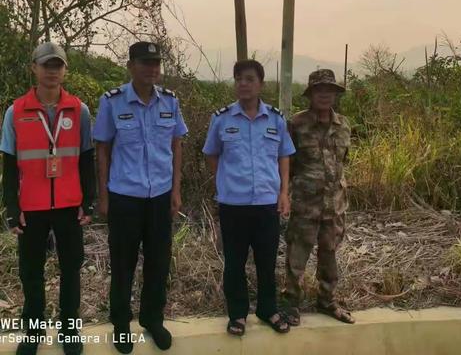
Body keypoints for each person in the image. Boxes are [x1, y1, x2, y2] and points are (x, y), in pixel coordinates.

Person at [0, 42, 96, 355]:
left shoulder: (79, 110)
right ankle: (33, 331)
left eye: (58, 65)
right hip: (32, 207)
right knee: (31, 271)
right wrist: (12, 208)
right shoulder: (15, 111)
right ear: (34, 68)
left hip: (69, 205)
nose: (52, 71)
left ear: (65, 70)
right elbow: (9, 164)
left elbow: (86, 158)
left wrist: (89, 199)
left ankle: (70, 330)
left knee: (71, 269)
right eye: (46, 65)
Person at [93, 41, 187, 354]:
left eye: (156, 63)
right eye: (145, 63)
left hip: (160, 196)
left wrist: (175, 190)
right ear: (131, 66)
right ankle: (121, 324)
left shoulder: (170, 101)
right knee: (123, 264)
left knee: (159, 263)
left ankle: (152, 318)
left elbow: (176, 146)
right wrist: (103, 195)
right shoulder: (112, 101)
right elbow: (103, 149)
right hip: (124, 197)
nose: (152, 68)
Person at [202, 59, 295, 336]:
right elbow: (211, 154)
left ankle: (268, 310)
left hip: (267, 203)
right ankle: (238, 315)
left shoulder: (276, 119)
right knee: (234, 263)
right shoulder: (221, 119)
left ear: (261, 84)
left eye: (250, 79)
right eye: (239, 79)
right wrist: (226, 180)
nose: (243, 84)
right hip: (234, 205)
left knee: (267, 262)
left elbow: (284, 156)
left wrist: (283, 193)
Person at [281, 69, 354, 326]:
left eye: (329, 90)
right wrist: (284, 196)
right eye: (319, 90)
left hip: (334, 205)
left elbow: (343, 162)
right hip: (305, 204)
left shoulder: (344, 125)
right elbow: (286, 164)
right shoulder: (296, 124)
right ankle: (291, 304)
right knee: (296, 256)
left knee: (330, 255)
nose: (325, 94)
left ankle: (327, 301)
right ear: (310, 94)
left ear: (335, 94)